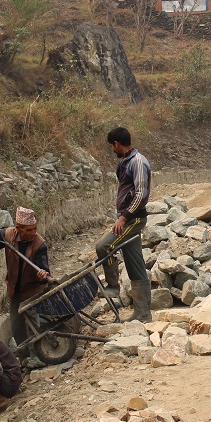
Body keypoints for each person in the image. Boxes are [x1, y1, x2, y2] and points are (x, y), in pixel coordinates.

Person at [96, 126, 152, 322]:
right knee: (135, 265)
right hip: (129, 217)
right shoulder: (126, 162)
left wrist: (124, 217)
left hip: (133, 219)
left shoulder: (138, 162)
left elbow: (141, 194)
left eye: (112, 146)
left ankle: (112, 286)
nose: (112, 150)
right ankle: (143, 313)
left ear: (116, 144)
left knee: (103, 246)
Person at [0, 206, 53, 350]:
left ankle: (39, 353)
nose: (33, 233)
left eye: (35, 229)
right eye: (29, 230)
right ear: (18, 228)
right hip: (15, 289)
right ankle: (24, 354)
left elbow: (45, 270)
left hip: (33, 290)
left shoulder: (39, 244)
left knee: (32, 322)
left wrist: (43, 275)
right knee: (16, 323)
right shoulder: (6, 236)